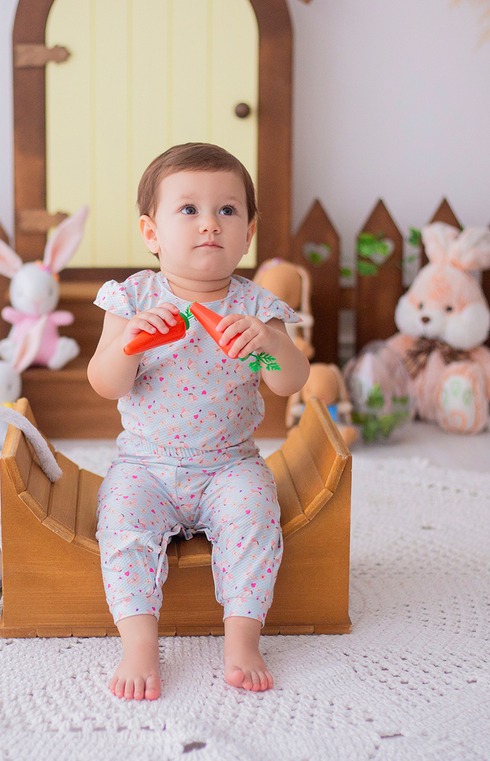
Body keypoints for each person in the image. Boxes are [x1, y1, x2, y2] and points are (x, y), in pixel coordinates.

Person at [87, 143, 310, 700]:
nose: (210, 224)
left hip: (229, 463)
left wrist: (270, 344)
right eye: (188, 210)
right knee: (120, 523)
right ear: (151, 232)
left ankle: (242, 639)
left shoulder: (257, 308)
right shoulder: (133, 297)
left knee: (255, 517)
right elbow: (104, 382)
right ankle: (139, 644)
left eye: (227, 211)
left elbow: (290, 381)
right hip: (145, 465)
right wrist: (132, 343)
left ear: (249, 231)